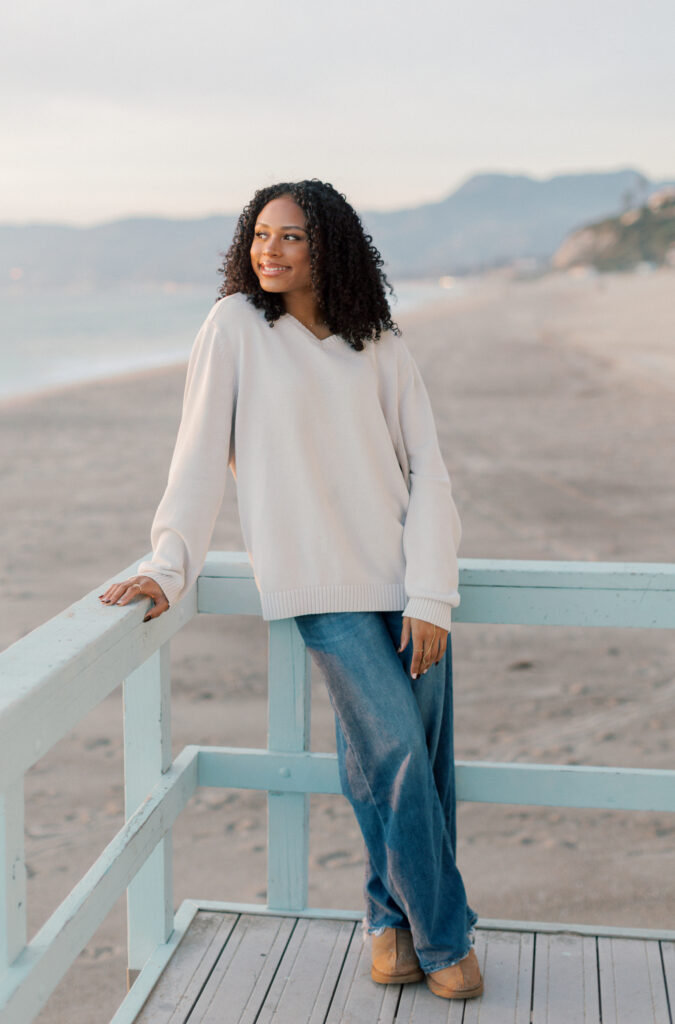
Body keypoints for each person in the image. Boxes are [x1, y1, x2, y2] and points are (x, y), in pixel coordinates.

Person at [99, 178, 483, 1001]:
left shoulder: (376, 339)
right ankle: (447, 936)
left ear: (328, 247)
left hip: (404, 578)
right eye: (260, 235)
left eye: (291, 237)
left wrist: (431, 595)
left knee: (401, 762)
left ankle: (388, 925)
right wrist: (169, 564)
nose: (267, 251)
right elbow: (198, 455)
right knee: (398, 757)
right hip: (317, 583)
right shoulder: (235, 327)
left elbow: (427, 472)